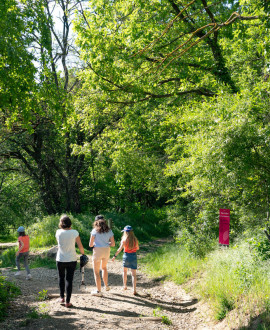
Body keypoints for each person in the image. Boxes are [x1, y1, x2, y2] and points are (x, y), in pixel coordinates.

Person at [56, 215, 85, 308]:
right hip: (72, 259)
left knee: (61, 277)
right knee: (69, 279)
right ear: (70, 223)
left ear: (61, 223)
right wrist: (83, 254)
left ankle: (61, 297)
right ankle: (68, 301)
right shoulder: (75, 232)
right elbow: (80, 245)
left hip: (60, 258)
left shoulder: (58, 232)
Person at [89, 215, 115, 296]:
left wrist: (96, 243)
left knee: (96, 271)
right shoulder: (109, 231)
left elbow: (90, 244)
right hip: (106, 250)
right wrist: (106, 243)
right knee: (104, 268)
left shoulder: (94, 231)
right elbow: (113, 244)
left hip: (97, 251)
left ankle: (98, 291)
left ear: (96, 222)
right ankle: (106, 285)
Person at [112, 225, 139, 295]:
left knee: (124, 271)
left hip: (126, 256)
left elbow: (120, 249)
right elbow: (137, 248)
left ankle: (125, 286)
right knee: (134, 274)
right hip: (133, 256)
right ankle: (134, 290)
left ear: (125, 232)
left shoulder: (124, 240)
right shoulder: (135, 239)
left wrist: (114, 256)